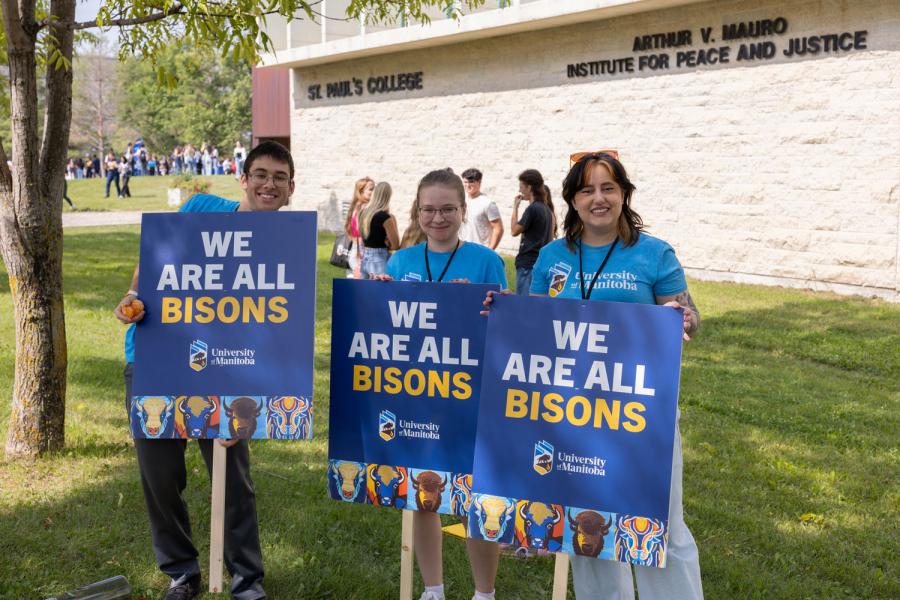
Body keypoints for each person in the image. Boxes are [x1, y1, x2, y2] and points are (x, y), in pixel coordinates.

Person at [113, 140, 296, 600]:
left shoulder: (283, 245)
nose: (268, 184)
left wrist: (252, 396)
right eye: (260, 174)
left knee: (233, 476)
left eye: (279, 177)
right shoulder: (201, 207)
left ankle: (246, 579)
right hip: (157, 358)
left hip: (229, 372)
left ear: (291, 189)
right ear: (244, 179)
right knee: (160, 476)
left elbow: (278, 329)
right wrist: (131, 302)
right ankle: (182, 572)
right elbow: (149, 273)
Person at [522, 152, 702, 600]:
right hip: (574, 411)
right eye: (587, 189)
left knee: (658, 522)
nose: (598, 198)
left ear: (624, 195)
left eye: (608, 188)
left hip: (643, 412)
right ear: (572, 199)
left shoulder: (653, 253)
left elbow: (691, 316)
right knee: (590, 522)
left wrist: (681, 316)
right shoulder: (551, 258)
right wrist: (504, 314)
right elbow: (534, 325)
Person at [378, 169, 507, 600]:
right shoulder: (402, 261)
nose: (438, 218)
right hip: (416, 394)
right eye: (429, 209)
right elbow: (389, 332)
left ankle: (483, 592)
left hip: (473, 394)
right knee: (422, 494)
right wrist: (378, 298)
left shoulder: (487, 261)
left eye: (448, 208)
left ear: (462, 210)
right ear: (417, 211)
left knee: (478, 494)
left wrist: (484, 306)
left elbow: (506, 326)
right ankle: (433, 589)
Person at [510, 169, 556, 295]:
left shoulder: (533, 209)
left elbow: (514, 231)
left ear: (529, 187)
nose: (520, 190)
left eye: (521, 187)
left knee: (524, 306)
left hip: (528, 265)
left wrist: (515, 207)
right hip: (541, 263)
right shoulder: (547, 209)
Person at [358, 181, 400, 278]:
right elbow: (396, 245)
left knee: (363, 291)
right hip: (378, 258)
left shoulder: (363, 212)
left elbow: (364, 236)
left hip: (365, 256)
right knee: (380, 291)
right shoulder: (385, 217)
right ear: (388, 196)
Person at [460, 168, 503, 249]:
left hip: (480, 249)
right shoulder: (461, 200)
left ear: (479, 182)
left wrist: (490, 251)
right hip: (461, 249)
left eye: (471, 182)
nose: (468, 185)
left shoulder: (488, 203)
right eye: (465, 182)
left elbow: (498, 229)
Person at [344, 177, 374, 278]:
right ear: (361, 191)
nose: (374, 192)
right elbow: (362, 232)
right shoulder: (363, 208)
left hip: (356, 252)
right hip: (360, 254)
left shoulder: (356, 206)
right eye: (371, 189)